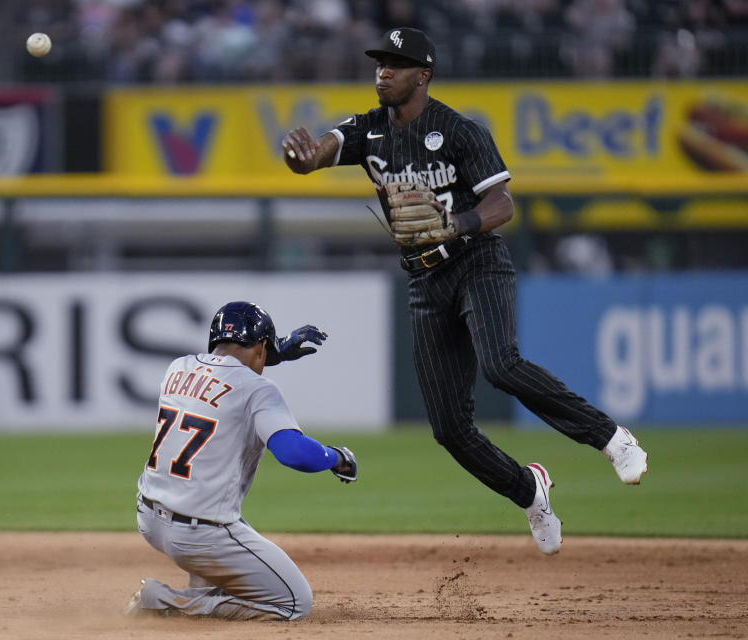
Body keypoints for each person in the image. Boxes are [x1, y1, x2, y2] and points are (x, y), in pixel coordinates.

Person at [281, 27, 648, 555]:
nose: (383, 71)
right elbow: (318, 152)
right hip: (424, 281)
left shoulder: (458, 131)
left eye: (396, 63)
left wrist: (455, 224)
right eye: (379, 62)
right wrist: (299, 156)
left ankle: (612, 438)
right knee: (450, 428)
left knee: (500, 365)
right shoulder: (369, 131)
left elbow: (502, 207)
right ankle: (530, 491)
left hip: (477, 261)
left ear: (422, 75)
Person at [125, 301, 357, 620]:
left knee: (221, 519)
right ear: (262, 347)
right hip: (200, 535)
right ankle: (167, 600)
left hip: (149, 519)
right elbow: (293, 453)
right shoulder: (258, 390)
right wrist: (337, 456)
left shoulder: (177, 368)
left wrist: (269, 353)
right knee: (294, 603)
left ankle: (200, 590)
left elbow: (225, 375)